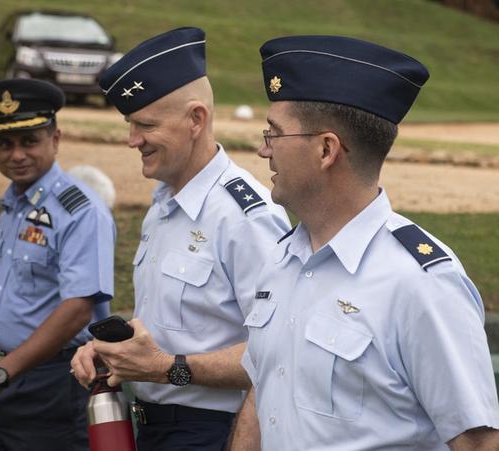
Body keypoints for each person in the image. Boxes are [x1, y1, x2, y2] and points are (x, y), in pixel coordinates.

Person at [228, 35, 499, 450]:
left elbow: (478, 442)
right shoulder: (283, 258)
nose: (263, 150)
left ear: (326, 150)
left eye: (274, 134)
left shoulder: (420, 283)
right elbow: (265, 389)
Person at [70, 27, 290, 450]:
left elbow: (280, 350)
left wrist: (166, 367)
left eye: (146, 125)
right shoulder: (165, 205)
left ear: (196, 119)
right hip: (153, 426)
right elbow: (174, 327)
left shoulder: (244, 216)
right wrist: (115, 353)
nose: (133, 140)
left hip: (214, 432)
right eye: (131, 124)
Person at [0, 78, 116, 451]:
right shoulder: (14, 203)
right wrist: (0, 372)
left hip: (53, 384)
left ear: (55, 140)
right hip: (5, 372)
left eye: (30, 141)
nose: (17, 154)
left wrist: (0, 375)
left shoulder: (80, 210)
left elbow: (76, 310)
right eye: (4, 144)